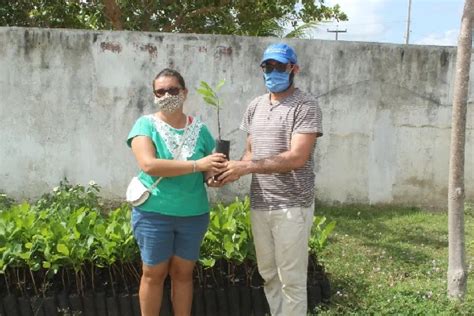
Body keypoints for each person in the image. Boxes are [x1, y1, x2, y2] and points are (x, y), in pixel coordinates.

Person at [217, 43, 323, 316]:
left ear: (294, 69)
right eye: (267, 66)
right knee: (268, 273)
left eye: (279, 66)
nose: (272, 71)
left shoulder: (305, 105)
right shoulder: (255, 106)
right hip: (261, 203)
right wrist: (230, 170)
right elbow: (250, 152)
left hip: (292, 204)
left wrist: (246, 168)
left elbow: (297, 157)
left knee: (291, 278)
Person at [127, 68, 226, 316]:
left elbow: (207, 172)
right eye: (160, 91)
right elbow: (148, 164)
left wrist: (213, 177)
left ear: (184, 92)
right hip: (153, 213)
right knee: (153, 274)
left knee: (183, 274)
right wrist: (197, 165)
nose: (167, 95)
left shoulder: (200, 130)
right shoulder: (145, 125)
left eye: (173, 90)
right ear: (154, 95)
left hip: (193, 215)